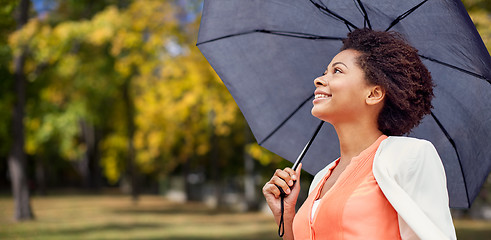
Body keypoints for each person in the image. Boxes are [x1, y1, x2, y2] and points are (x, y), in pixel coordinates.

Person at [262, 28, 457, 240]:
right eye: (325, 71)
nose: (319, 79)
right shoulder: (321, 178)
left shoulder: (409, 156)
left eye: (337, 71)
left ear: (373, 94)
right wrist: (287, 217)